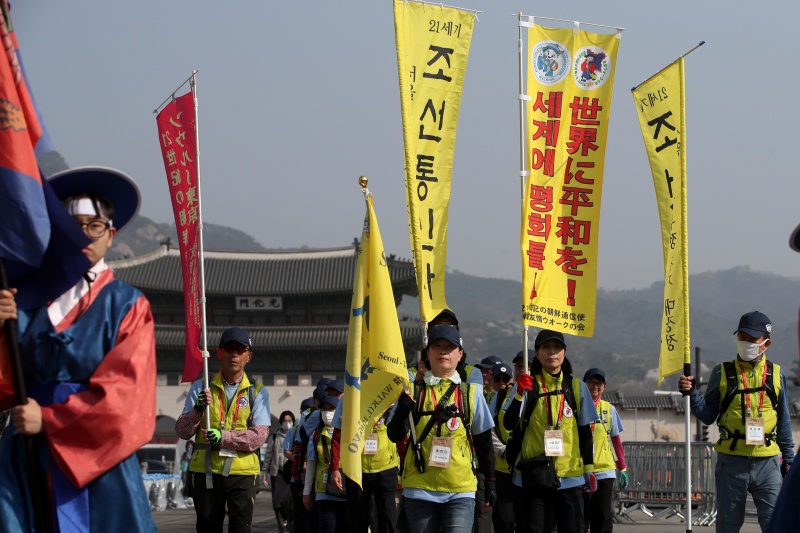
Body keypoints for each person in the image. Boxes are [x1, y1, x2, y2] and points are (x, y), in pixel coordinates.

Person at [0, 167, 157, 532]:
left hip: (99, 458)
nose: (83, 234)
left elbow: (127, 400)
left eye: (94, 225)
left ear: (111, 234)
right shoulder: (23, 300)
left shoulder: (128, 305)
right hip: (26, 453)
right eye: (73, 225)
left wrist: (50, 421)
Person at [678, 311, 795, 532]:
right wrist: (692, 394)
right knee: (728, 526)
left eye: (752, 339)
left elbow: (784, 421)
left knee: (775, 524)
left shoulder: (777, 374)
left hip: (768, 462)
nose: (746, 342)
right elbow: (707, 415)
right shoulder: (721, 372)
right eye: (742, 337)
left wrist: (788, 461)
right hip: (731, 462)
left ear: (766, 343)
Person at [387, 324, 497, 533]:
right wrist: (401, 410)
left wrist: (490, 481)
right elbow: (394, 435)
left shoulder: (471, 393)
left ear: (460, 354)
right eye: (437, 346)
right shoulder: (413, 392)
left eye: (450, 347)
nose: (443, 351)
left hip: (460, 488)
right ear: (427, 353)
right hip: (419, 487)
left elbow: (483, 442)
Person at [175, 327, 271, 533]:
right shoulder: (201, 387)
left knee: (241, 528)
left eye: (240, 349)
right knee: (207, 528)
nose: (234, 354)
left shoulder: (259, 392)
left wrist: (224, 437)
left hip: (243, 472)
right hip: (207, 472)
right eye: (229, 349)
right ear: (219, 353)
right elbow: (182, 431)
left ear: (249, 356)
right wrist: (197, 410)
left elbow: (258, 437)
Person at [502, 329, 597, 533]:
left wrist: (589, 469)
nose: (552, 352)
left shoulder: (577, 387)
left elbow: (585, 433)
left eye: (557, 348)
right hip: (533, 474)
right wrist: (519, 393)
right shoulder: (528, 385)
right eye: (546, 348)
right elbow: (509, 423)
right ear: (537, 353)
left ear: (564, 352)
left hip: (569, 476)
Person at [329, 398, 400, 533]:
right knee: (357, 520)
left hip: (386, 466)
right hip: (356, 468)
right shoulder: (348, 397)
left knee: (387, 519)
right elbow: (337, 437)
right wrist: (335, 469)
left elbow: (401, 431)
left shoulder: (390, 391)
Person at [582, 367, 628, 533]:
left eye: (599, 383)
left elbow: (616, 441)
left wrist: (622, 467)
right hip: (581, 470)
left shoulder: (610, 409)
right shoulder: (576, 407)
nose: (595, 386)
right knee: (582, 515)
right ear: (584, 384)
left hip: (604, 470)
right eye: (591, 382)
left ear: (604, 386)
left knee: (602, 514)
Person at [303, 396, 347, 533]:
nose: (327, 412)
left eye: (331, 409)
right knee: (327, 526)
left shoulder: (348, 434)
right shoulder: (315, 436)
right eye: (324, 409)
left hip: (345, 489)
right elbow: (311, 465)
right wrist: (306, 492)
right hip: (323, 491)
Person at [487, 362, 516, 533]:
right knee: (504, 519)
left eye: (506, 379)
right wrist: (502, 450)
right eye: (498, 379)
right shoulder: (495, 399)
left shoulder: (524, 395)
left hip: (521, 469)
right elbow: (488, 429)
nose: (502, 383)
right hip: (502, 468)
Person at [264, 410, 295, 533]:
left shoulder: (295, 435)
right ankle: (281, 523)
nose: (287, 423)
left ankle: (288, 520)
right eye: (285, 421)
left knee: (289, 500)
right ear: (281, 422)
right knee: (277, 500)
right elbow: (268, 454)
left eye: (289, 421)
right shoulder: (275, 436)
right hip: (277, 472)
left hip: (290, 472)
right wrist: (265, 471)